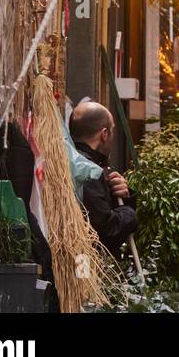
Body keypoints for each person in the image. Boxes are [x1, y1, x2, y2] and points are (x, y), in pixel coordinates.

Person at [68, 100, 138, 258]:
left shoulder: (72, 161)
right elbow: (106, 230)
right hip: (82, 262)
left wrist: (122, 196)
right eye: (112, 130)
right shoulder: (87, 171)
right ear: (104, 134)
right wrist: (129, 212)